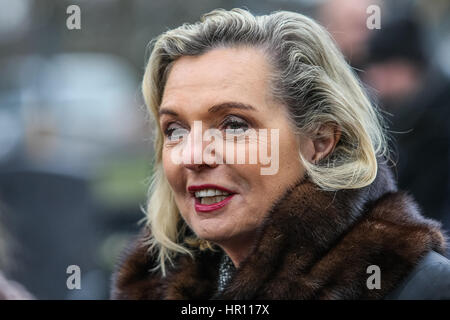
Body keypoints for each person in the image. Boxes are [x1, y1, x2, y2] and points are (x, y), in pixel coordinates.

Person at [111, 9, 450, 299]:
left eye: (233, 124)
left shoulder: (420, 287)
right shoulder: (153, 285)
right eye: (175, 130)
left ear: (320, 140)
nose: (192, 156)